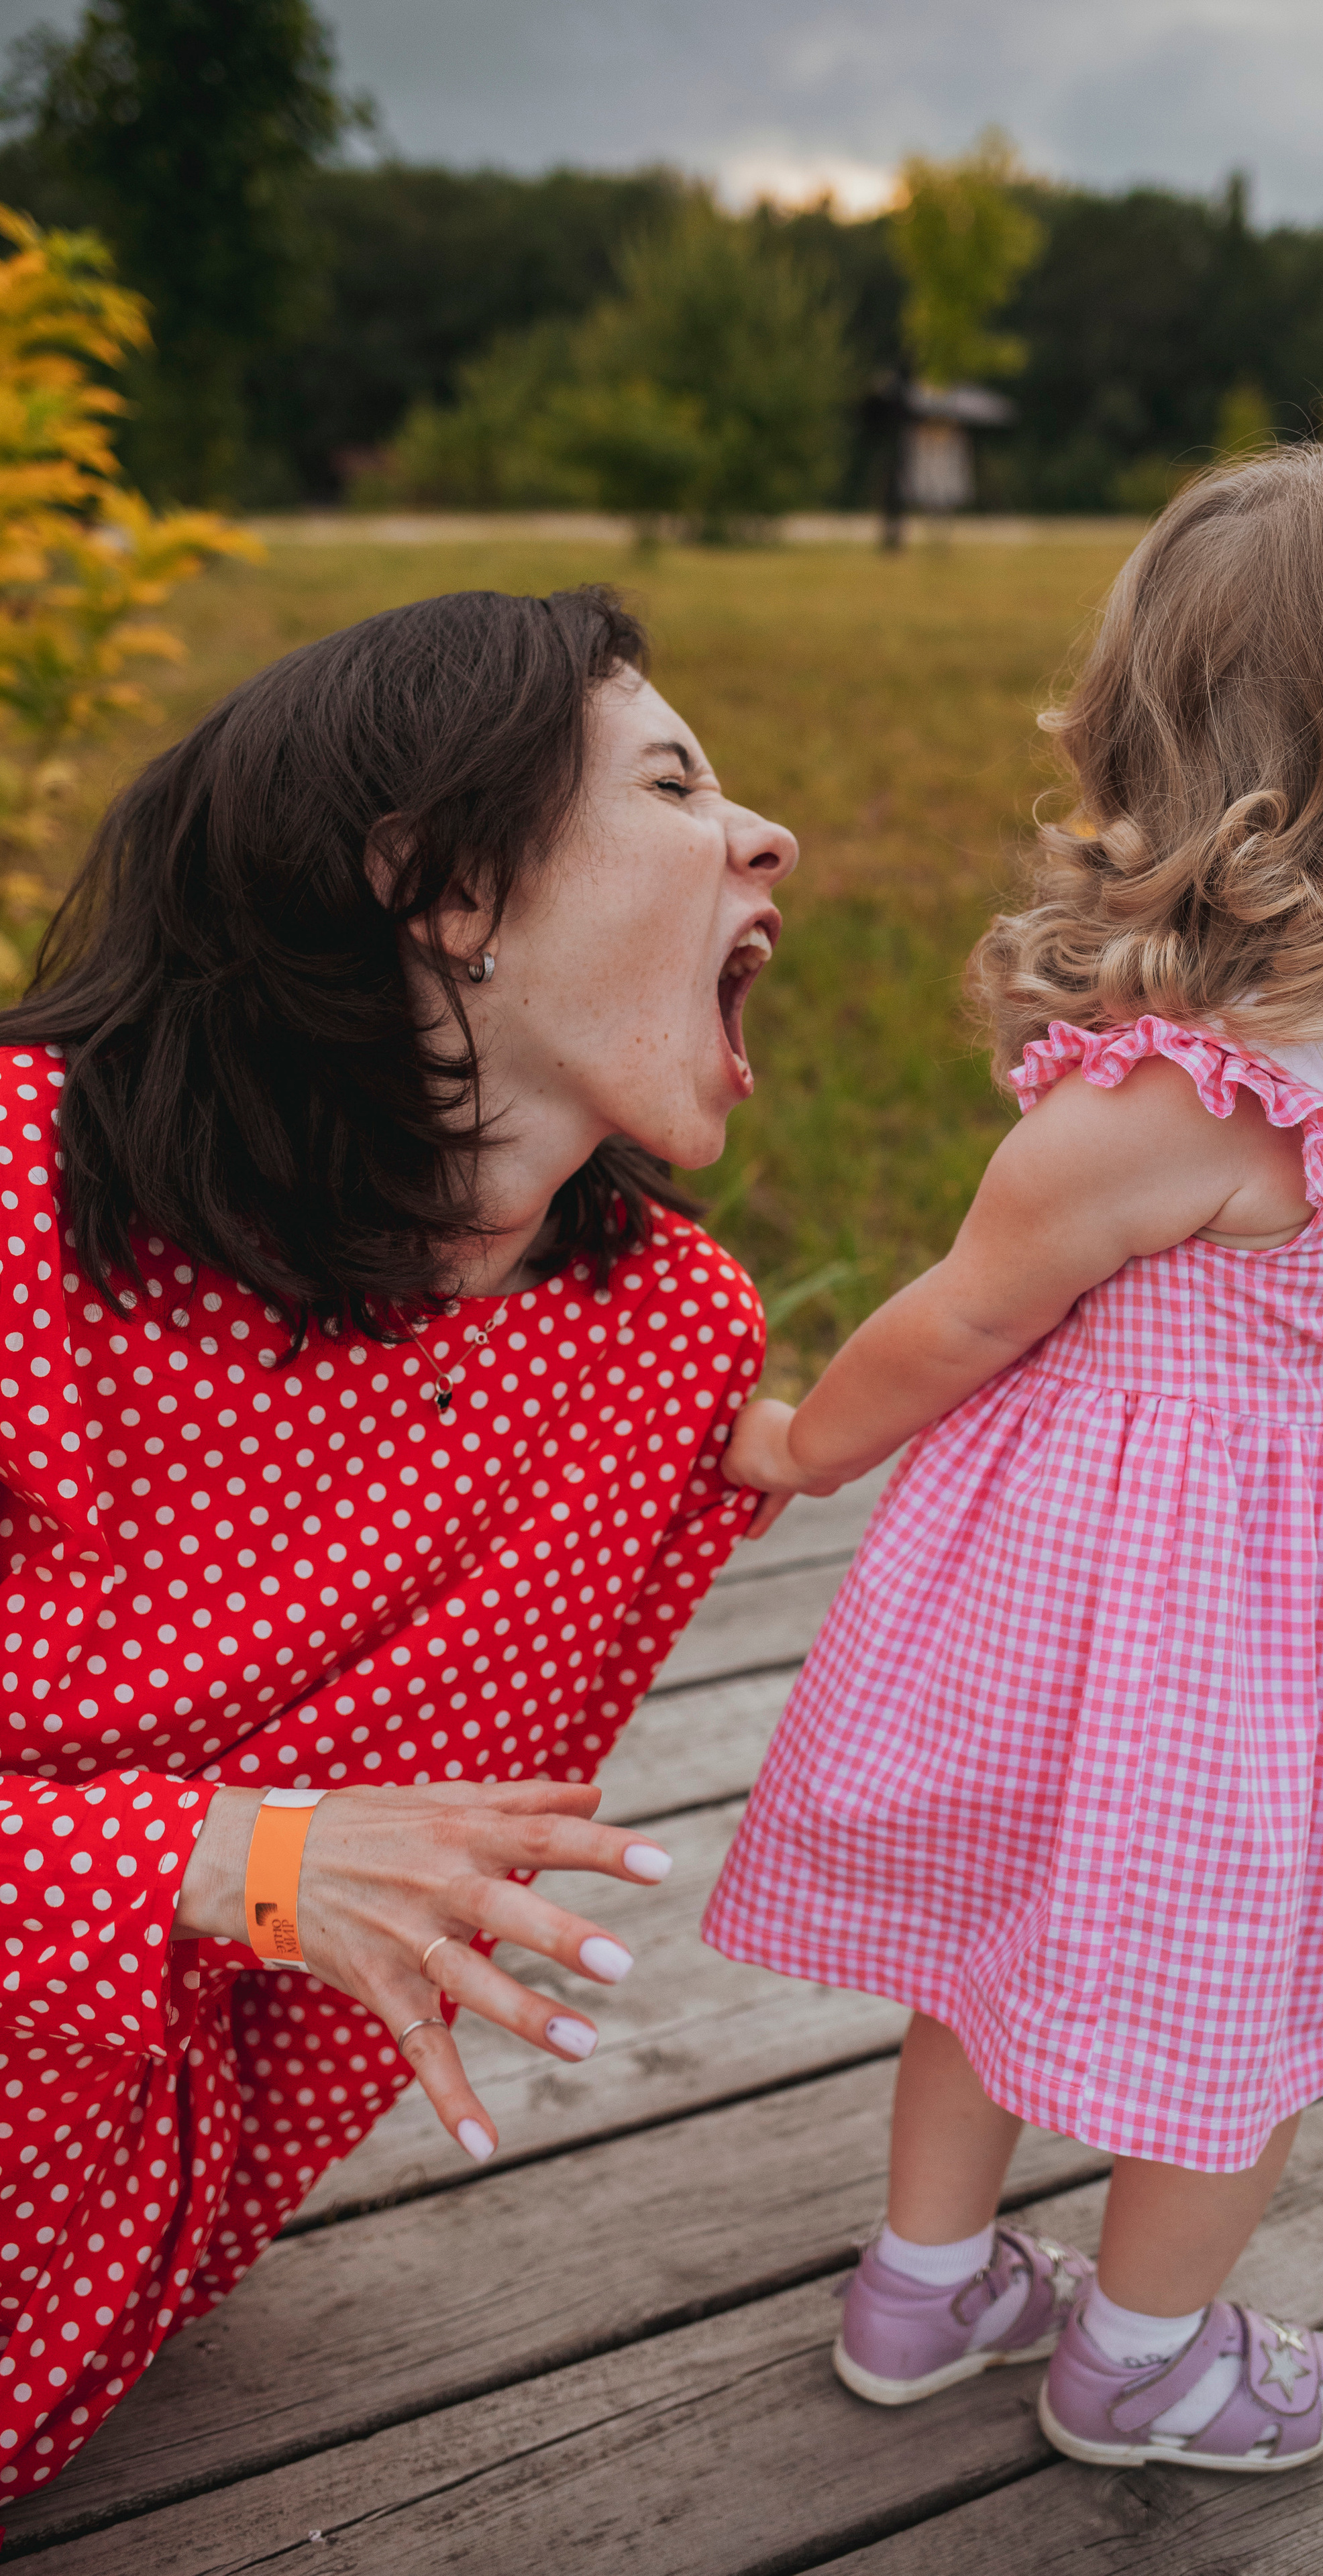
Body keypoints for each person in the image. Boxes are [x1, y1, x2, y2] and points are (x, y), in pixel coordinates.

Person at [705, 444, 1323, 2471]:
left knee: (993, 1937)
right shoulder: (1179, 1105)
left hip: (1158, 1583)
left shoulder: (1318, 1041)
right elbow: (967, 1312)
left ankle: (926, 2294)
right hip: (1197, 1643)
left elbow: (1245, 1290)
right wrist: (805, 1446)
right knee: (1240, 1999)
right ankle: (1146, 2357)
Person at [0, 584, 796, 2498]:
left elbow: (895, 1424)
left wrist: (1234, 1335)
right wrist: (209, 1859)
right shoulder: (22, 1189)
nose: (769, 836)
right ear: (440, 885)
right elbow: (259, 1872)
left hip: (76, 2334)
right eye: (676, 781)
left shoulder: (656, 1343)